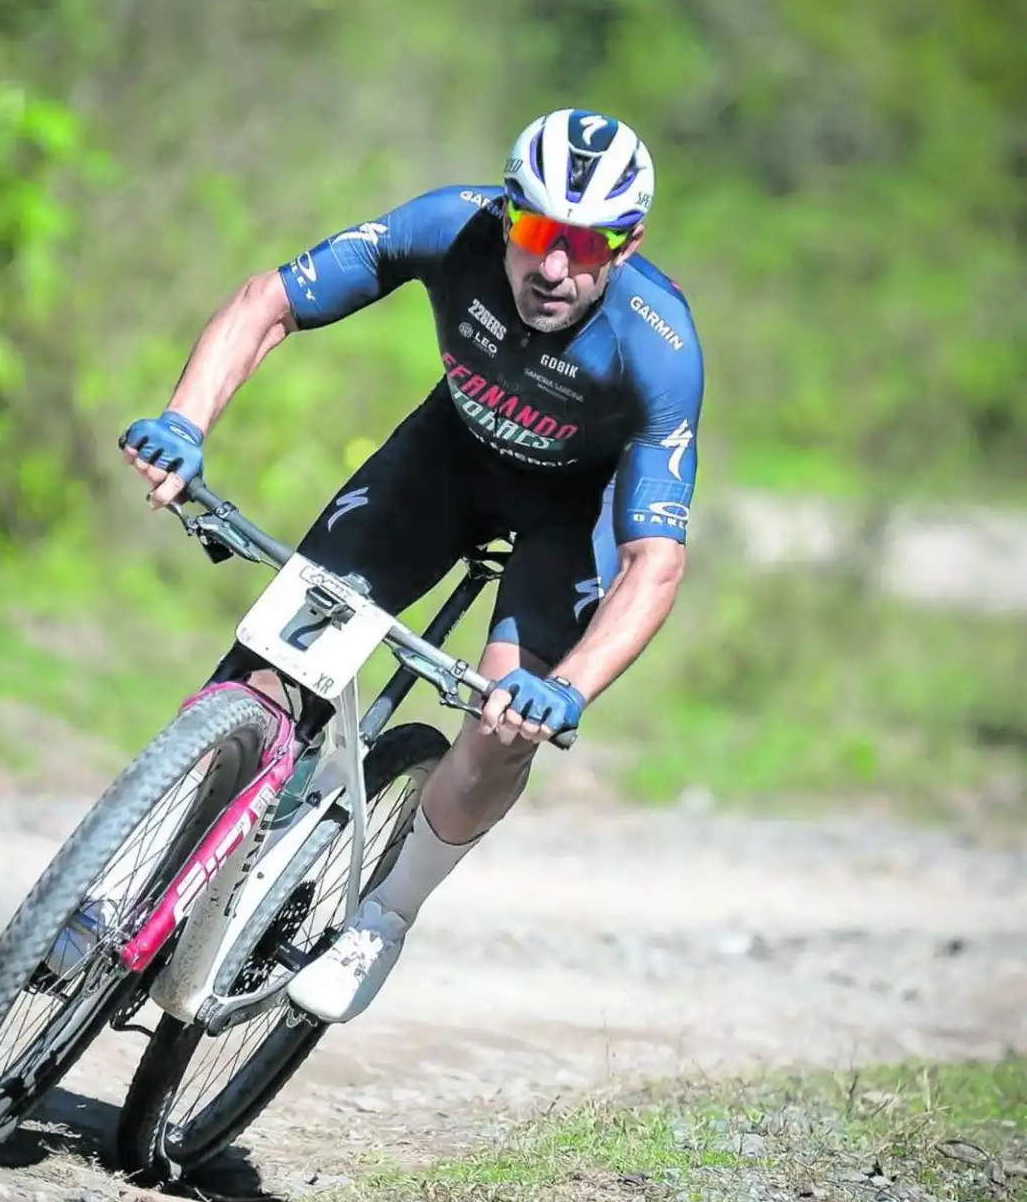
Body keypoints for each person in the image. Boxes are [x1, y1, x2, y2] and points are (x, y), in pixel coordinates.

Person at [120, 108, 704, 1024]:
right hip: (443, 464)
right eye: (540, 232)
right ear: (508, 214)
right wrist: (186, 422)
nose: (555, 269)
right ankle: (141, 883)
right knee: (276, 667)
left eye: (587, 247)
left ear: (628, 247)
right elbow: (266, 302)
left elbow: (653, 564)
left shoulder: (659, 348)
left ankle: (386, 912)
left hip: (570, 517)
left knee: (506, 726)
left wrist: (576, 689)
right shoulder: (447, 225)